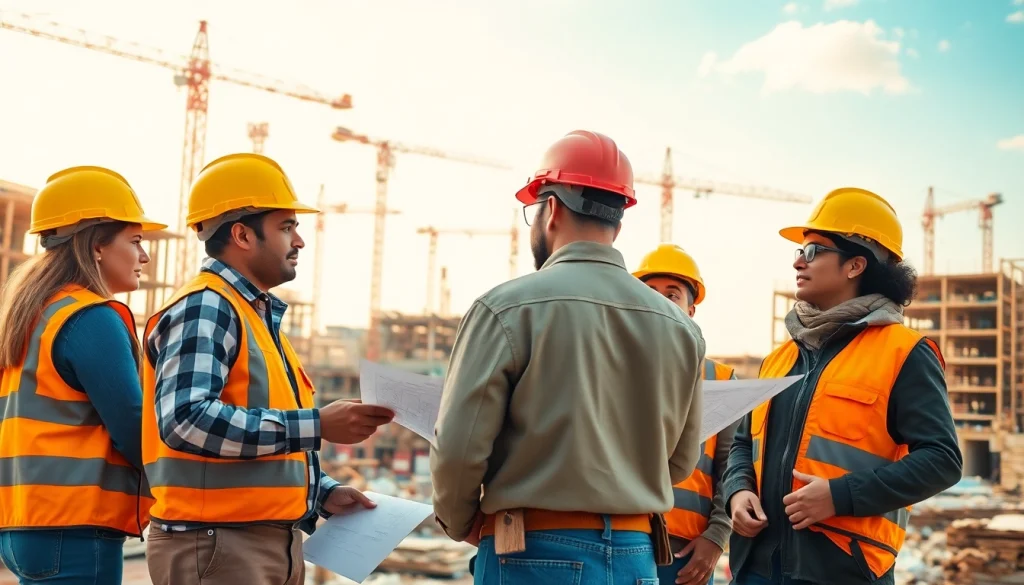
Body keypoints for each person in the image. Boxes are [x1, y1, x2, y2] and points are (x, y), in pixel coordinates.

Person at [430, 130, 706, 585]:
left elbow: (459, 449)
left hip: (533, 552)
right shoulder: (681, 328)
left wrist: (460, 522)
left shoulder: (505, 309)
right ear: (619, 218)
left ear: (551, 208)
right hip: (640, 558)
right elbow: (678, 463)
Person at [141, 153, 396, 585]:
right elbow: (186, 420)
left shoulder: (253, 315)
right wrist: (317, 424)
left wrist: (323, 493)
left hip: (263, 542)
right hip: (220, 544)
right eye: (286, 227)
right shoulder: (208, 305)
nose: (299, 241)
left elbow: (256, 438)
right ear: (242, 234)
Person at [722, 187, 963, 585]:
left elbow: (942, 459)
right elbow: (744, 444)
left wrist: (840, 496)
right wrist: (737, 490)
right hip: (756, 568)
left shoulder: (904, 352)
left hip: (844, 569)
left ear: (855, 265)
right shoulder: (780, 357)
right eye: (799, 251)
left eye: (814, 250)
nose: (799, 261)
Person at [0, 166, 166, 584]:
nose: (144, 256)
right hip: (73, 528)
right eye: (135, 241)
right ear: (96, 245)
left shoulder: (30, 315)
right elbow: (134, 428)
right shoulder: (90, 318)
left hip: (22, 523)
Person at [633, 243, 738, 585]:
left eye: (673, 294)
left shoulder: (720, 379)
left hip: (685, 551)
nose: (661, 300)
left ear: (690, 310)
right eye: (650, 292)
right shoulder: (614, 365)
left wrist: (717, 537)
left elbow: (732, 467)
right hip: (619, 537)